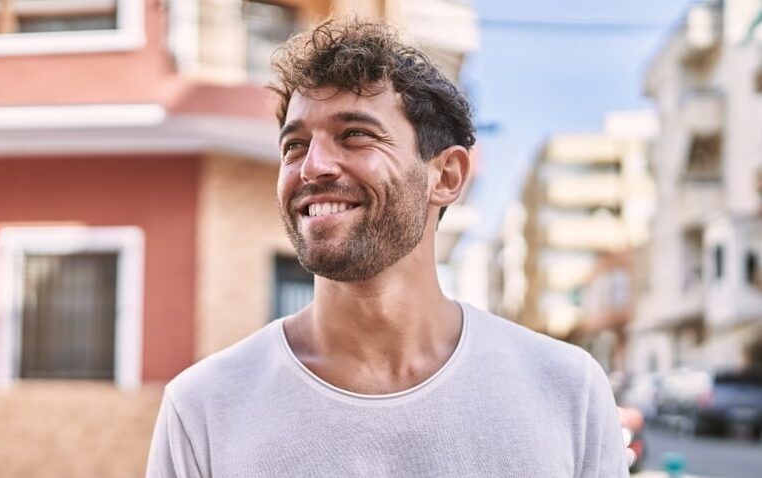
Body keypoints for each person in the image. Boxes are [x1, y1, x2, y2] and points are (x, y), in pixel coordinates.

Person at [147, 17, 627, 477]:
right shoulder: (204, 407)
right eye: (294, 145)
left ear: (447, 175)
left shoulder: (566, 390)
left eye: (354, 135)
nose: (312, 167)